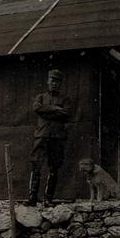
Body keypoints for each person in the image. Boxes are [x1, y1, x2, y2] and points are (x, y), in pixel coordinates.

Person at [27, 69, 72, 206]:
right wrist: (56, 109)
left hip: (57, 137)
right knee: (36, 165)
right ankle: (32, 197)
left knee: (54, 167)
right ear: (48, 81)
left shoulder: (65, 99)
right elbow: (37, 108)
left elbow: (66, 113)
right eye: (52, 80)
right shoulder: (40, 97)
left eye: (57, 81)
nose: (54, 84)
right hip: (41, 135)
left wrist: (46, 110)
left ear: (60, 84)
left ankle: (48, 198)